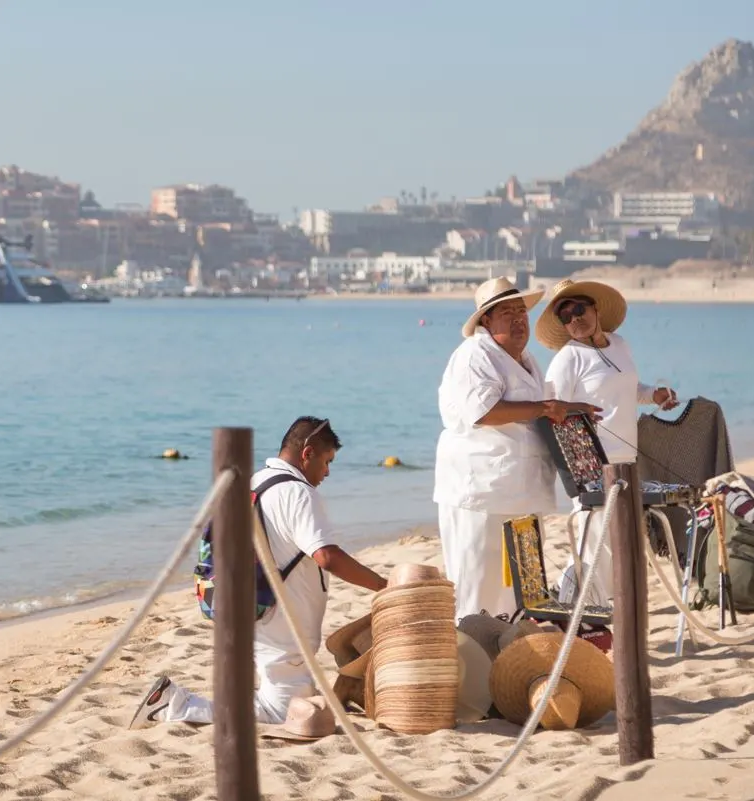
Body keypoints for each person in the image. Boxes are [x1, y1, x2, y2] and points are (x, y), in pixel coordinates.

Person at [129, 416, 387, 729]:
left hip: (247, 608)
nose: (327, 472)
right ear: (307, 453)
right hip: (278, 622)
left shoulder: (252, 483)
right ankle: (175, 704)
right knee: (282, 713)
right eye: (326, 461)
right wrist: (384, 586)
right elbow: (326, 556)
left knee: (297, 697)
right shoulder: (298, 493)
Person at [433, 277, 601, 622]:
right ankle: (475, 661)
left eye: (521, 311)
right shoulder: (474, 355)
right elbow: (483, 412)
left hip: (522, 491)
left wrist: (569, 409)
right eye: (506, 312)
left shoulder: (526, 359)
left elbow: (537, 407)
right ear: (485, 321)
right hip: (480, 492)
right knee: (477, 587)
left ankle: (510, 657)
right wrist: (546, 408)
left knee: (523, 588)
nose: (518, 318)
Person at [535, 279, 678, 606]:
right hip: (592, 464)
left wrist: (653, 395)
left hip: (626, 459)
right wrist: (578, 415)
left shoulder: (620, 345)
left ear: (596, 309)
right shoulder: (568, 358)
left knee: (616, 538)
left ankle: (585, 601)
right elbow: (550, 410)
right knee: (596, 539)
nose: (574, 319)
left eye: (579, 310)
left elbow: (628, 387)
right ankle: (578, 604)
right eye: (565, 316)